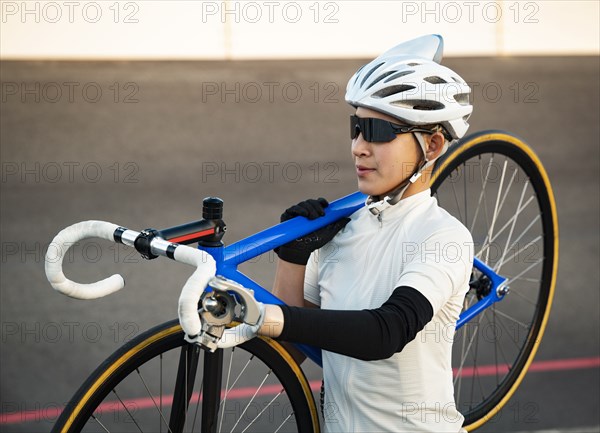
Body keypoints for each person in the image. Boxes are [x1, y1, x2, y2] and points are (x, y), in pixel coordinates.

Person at [257, 34, 474, 432]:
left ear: (434, 143)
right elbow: (290, 352)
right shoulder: (338, 232)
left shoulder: (443, 237)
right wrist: (292, 259)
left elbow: (385, 333)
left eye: (376, 131)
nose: (358, 146)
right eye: (356, 127)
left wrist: (260, 315)